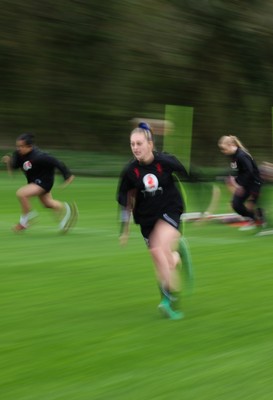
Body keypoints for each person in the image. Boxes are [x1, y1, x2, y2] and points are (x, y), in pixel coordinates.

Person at [117, 122, 191, 320]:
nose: (135, 148)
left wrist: (204, 194)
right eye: (132, 144)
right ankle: (177, 258)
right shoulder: (130, 171)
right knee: (162, 261)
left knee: (159, 246)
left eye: (139, 143)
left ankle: (169, 302)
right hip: (146, 219)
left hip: (170, 210)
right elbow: (124, 200)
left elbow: (188, 174)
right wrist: (123, 229)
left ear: (150, 143)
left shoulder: (165, 161)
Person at [2, 133, 77, 232]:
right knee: (47, 203)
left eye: (21, 146)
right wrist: (9, 161)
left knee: (22, 194)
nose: (18, 148)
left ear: (29, 146)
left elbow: (56, 162)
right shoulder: (18, 154)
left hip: (45, 181)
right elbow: (15, 165)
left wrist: (67, 175)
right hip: (34, 181)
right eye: (17, 146)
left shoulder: (39, 156)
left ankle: (25, 221)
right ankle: (67, 209)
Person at [218, 135, 264, 230]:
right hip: (245, 185)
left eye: (224, 149)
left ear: (230, 145)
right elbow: (238, 171)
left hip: (254, 184)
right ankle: (255, 219)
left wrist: (238, 184)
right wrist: (231, 179)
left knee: (249, 206)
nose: (223, 152)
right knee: (236, 205)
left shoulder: (241, 155)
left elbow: (249, 171)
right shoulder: (234, 156)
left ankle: (259, 218)